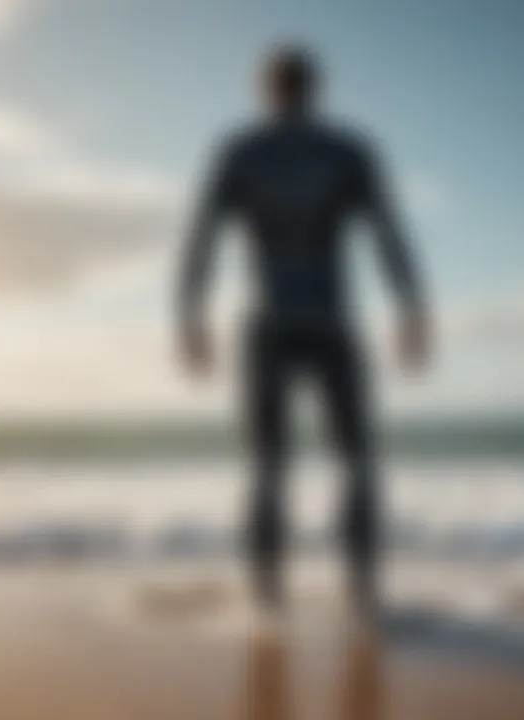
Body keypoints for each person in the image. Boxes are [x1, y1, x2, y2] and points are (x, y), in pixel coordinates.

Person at [177, 45, 430, 616]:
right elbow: (390, 235)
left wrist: (191, 317)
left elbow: (202, 238)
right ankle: (362, 596)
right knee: (357, 460)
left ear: (266, 89)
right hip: (331, 321)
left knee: (268, 465)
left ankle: (267, 603)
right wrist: (411, 310)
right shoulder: (348, 151)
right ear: (315, 89)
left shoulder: (241, 152)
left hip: (268, 322)